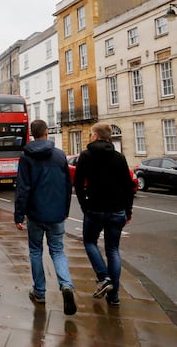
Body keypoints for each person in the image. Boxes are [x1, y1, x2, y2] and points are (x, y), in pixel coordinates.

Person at [14, 119, 77, 316]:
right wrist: (65, 211)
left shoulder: (26, 157)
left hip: (35, 213)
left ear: (32, 134)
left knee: (35, 251)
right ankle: (66, 285)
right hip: (56, 214)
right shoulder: (60, 156)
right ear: (47, 132)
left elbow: (23, 188)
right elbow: (68, 187)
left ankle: (39, 292)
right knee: (58, 251)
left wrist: (19, 215)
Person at [74, 122, 134, 306]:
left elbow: (77, 184)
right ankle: (114, 297)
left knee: (90, 241)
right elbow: (128, 186)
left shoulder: (86, 155)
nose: (90, 137)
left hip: (95, 209)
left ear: (97, 136)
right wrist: (128, 210)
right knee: (113, 250)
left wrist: (85, 206)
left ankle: (103, 276)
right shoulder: (119, 157)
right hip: (116, 210)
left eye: (91, 134)